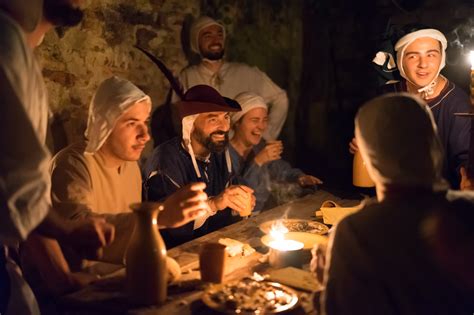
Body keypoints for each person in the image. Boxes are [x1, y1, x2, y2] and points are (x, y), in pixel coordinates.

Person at [20, 76, 210, 297]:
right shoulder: (73, 163)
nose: (145, 135)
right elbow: (77, 229)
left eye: (145, 122)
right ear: (105, 124)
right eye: (132, 123)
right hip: (75, 290)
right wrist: (161, 217)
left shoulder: (131, 167)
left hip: (118, 278)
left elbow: (130, 234)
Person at [0, 1, 115, 314]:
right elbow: (17, 189)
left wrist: (62, 277)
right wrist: (69, 231)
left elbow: (23, 201)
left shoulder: (18, 47)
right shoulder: (6, 44)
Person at [321, 93, 474, 315]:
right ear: (432, 142)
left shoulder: (357, 232)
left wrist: (326, 284)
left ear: (370, 157)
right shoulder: (467, 209)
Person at [350, 27, 471, 189]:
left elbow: (464, 159)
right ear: (400, 61)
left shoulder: (457, 104)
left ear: (441, 59)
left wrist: (467, 177)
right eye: (413, 56)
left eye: (431, 55)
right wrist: (363, 146)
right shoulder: (387, 97)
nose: (423, 64)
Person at [144, 85, 255, 248]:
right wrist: (213, 204)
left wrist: (242, 202)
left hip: (216, 249)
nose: (224, 127)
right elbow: (169, 229)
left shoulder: (220, 153)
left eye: (226, 117)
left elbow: (230, 209)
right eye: (213, 119)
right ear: (191, 124)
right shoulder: (165, 160)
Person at [172, 16, 289, 141]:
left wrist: (266, 135)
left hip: (241, 154)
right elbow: (176, 114)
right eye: (208, 36)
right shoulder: (188, 76)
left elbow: (280, 98)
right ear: (196, 42)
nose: (215, 40)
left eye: (219, 35)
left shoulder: (246, 72)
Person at [229, 92, 322, 213]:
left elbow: (282, 170)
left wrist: (300, 178)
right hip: (235, 222)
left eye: (265, 120)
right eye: (255, 120)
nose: (261, 126)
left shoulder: (260, 147)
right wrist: (258, 162)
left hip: (263, 216)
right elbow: (242, 196)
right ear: (237, 122)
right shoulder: (223, 155)